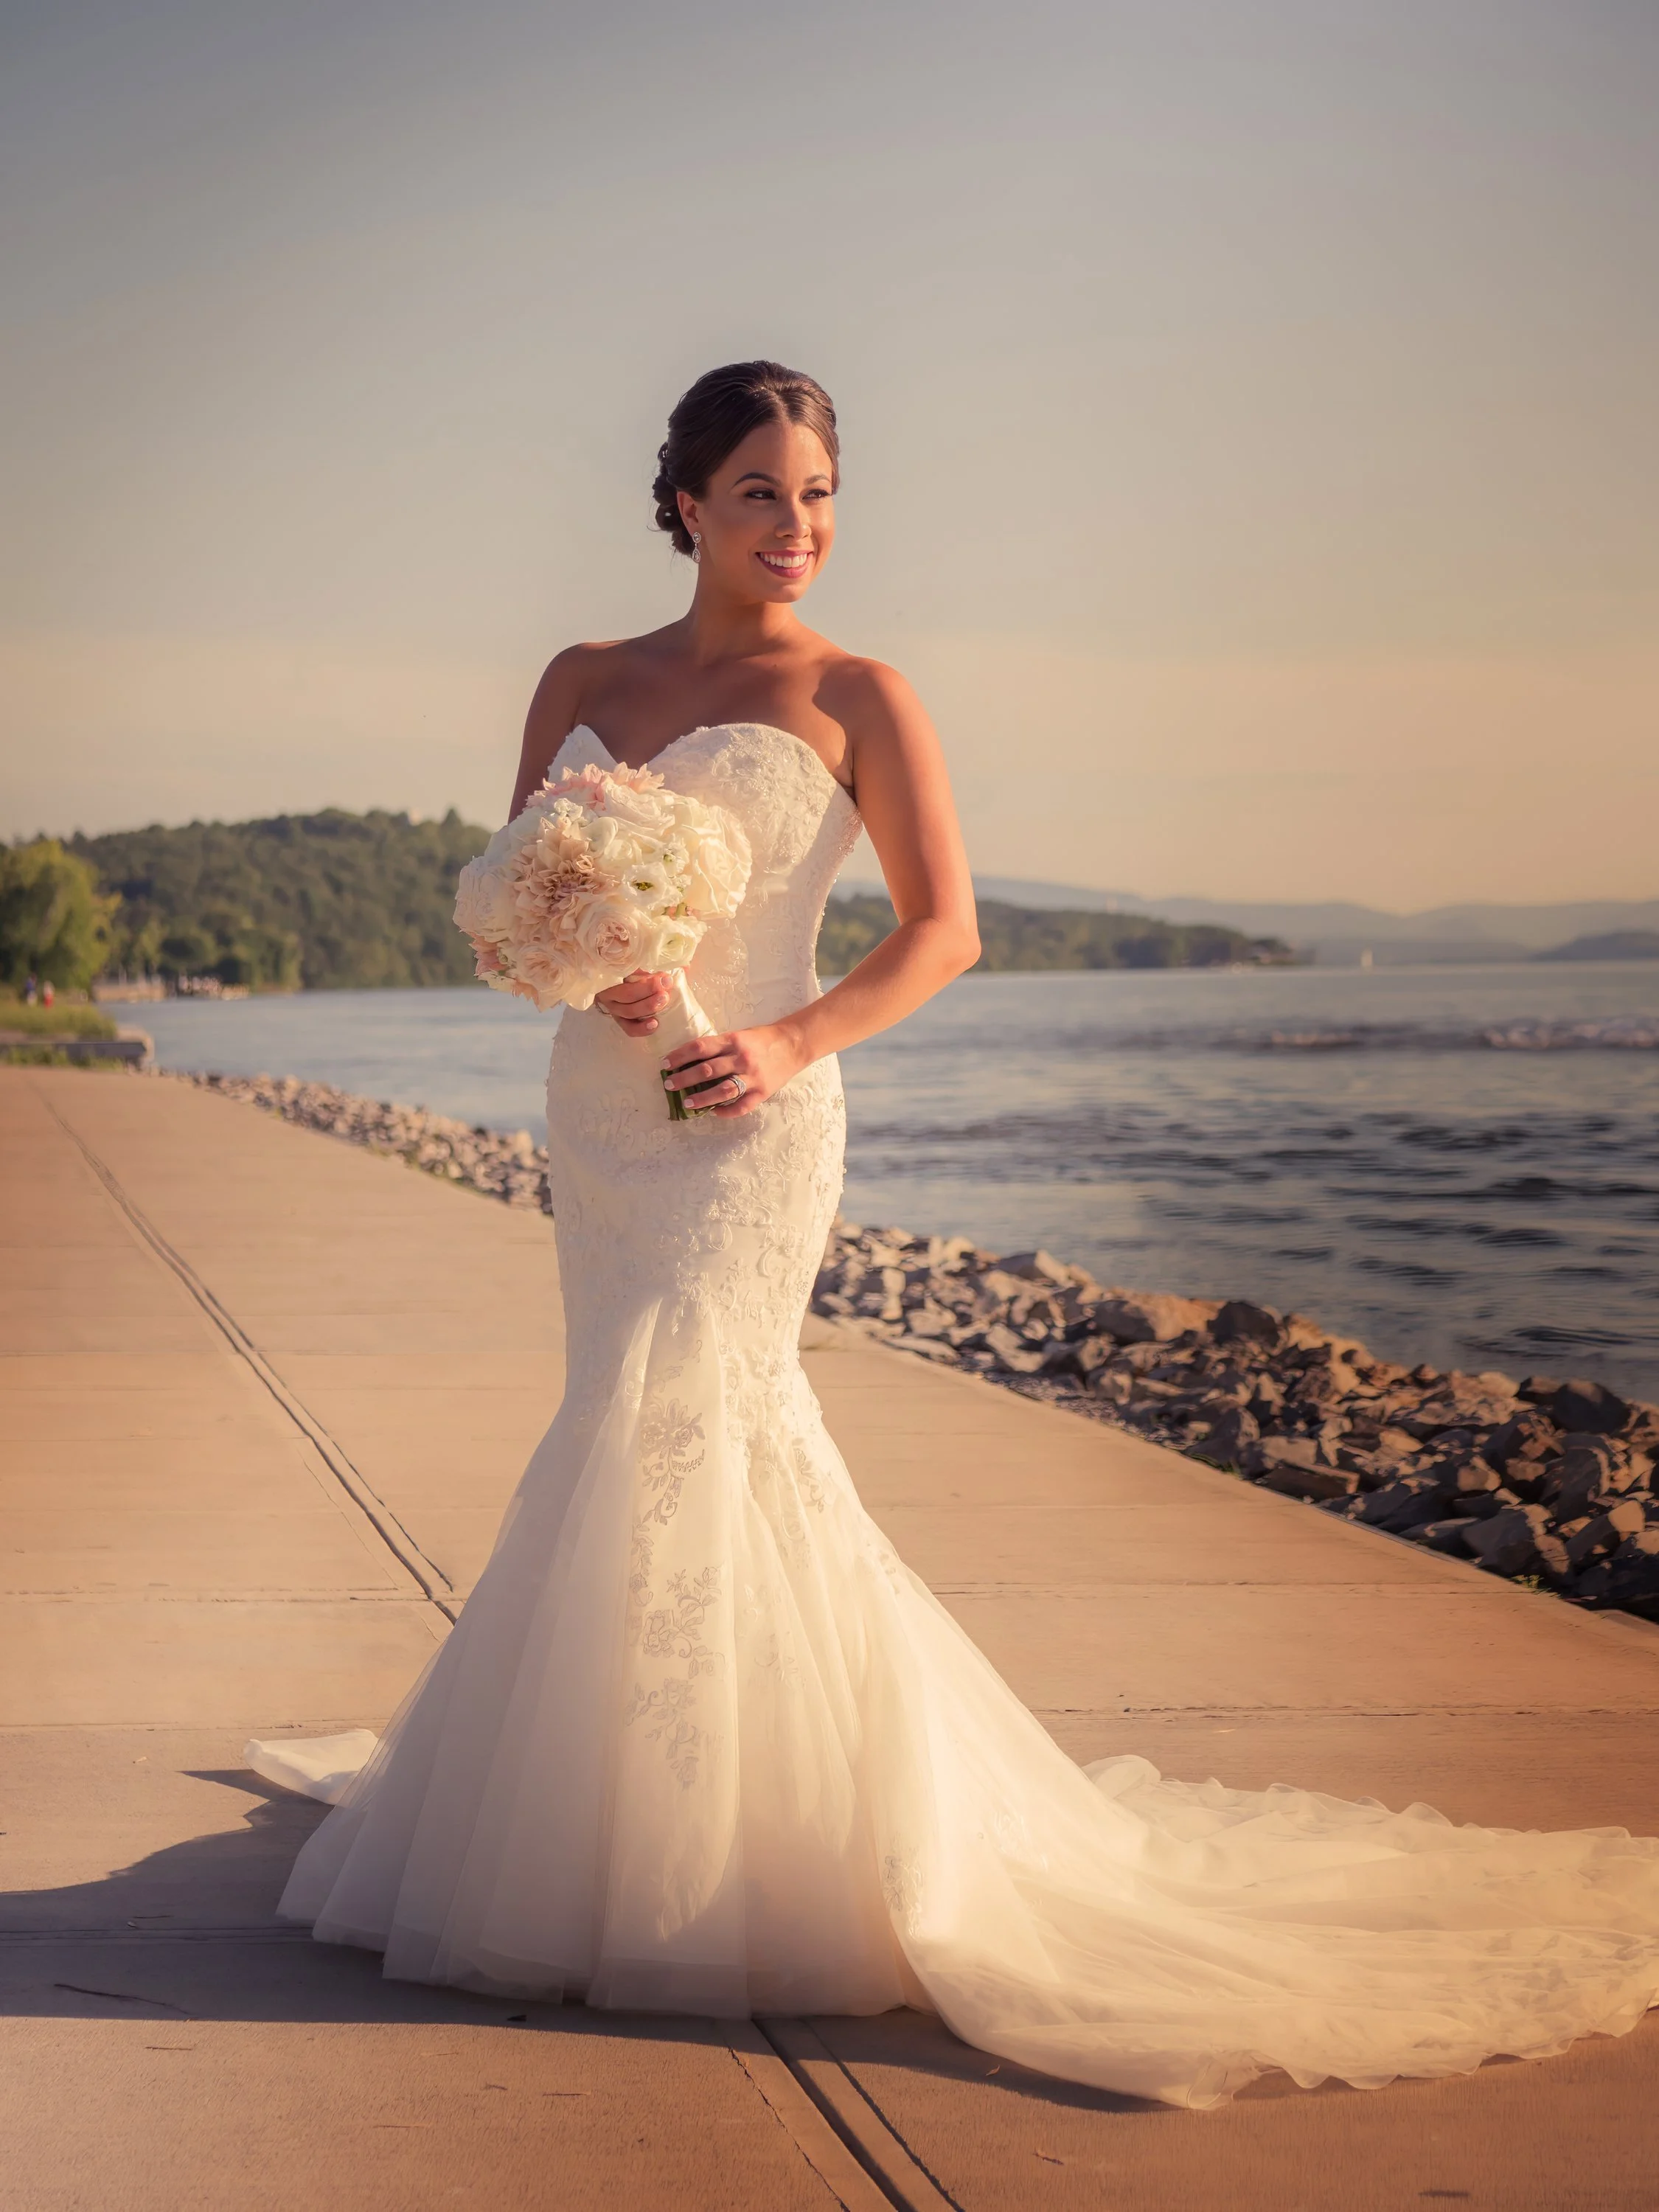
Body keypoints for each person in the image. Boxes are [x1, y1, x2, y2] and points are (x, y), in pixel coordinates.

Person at [249, 361, 1659, 2108]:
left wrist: (779, 1039)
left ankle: (764, 1846)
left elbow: (946, 931)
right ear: (684, 500)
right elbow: (510, 911)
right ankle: (613, 1820)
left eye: (823, 493)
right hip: (608, 1106)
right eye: (762, 490)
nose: (799, 527)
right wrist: (592, 969)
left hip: (759, 1111)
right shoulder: (584, 681)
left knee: (705, 1415)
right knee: (620, 1411)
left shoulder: (862, 694)